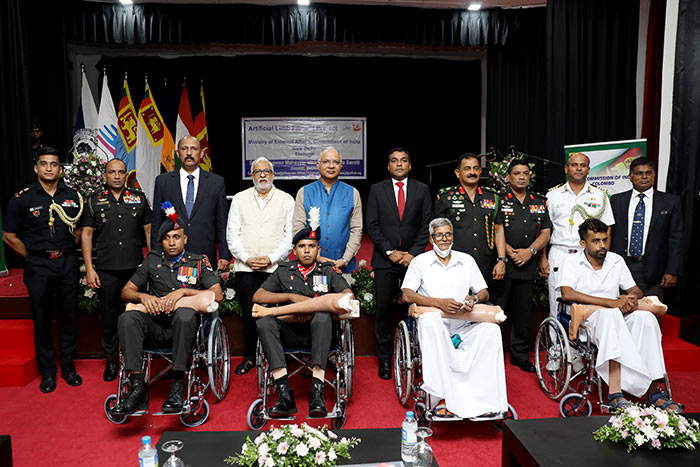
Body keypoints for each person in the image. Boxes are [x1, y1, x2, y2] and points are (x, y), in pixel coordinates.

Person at [558, 218, 683, 413]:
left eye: (604, 240)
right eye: (596, 241)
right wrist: (611, 303)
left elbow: (635, 290)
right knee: (610, 316)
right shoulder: (572, 261)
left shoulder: (616, 260)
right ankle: (615, 393)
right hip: (589, 320)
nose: (602, 246)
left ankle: (654, 392)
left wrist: (630, 299)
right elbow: (567, 293)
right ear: (583, 243)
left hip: (618, 314)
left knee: (647, 319)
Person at [111, 203, 223, 416]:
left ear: (185, 239)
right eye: (167, 238)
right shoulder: (152, 261)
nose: (172, 242)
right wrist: (143, 295)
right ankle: (136, 387)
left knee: (184, 313)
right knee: (127, 318)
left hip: (185, 330)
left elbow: (217, 295)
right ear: (161, 241)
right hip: (156, 326)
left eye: (176, 237)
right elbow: (126, 291)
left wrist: (184, 292)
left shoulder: (198, 262)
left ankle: (177, 384)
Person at [401, 217, 508, 419]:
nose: (444, 239)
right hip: (434, 325)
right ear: (432, 239)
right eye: (439, 235)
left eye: (448, 234)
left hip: (465, 323)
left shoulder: (466, 260)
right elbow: (407, 294)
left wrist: (473, 298)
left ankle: (488, 400)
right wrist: (438, 303)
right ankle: (441, 398)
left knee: (491, 330)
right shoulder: (420, 262)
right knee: (430, 320)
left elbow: (484, 292)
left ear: (453, 237)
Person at [3, 147, 84, 393]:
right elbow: (8, 235)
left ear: (61, 169)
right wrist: (34, 256)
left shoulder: (72, 196)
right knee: (42, 319)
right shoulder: (23, 198)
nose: (49, 168)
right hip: (38, 266)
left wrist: (66, 250)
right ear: (36, 168)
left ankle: (68, 368)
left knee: (69, 317)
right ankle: (48, 372)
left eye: (54, 164)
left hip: (67, 264)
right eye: (44, 164)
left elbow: (81, 230)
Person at [254, 224, 353, 418]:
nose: (306, 250)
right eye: (301, 246)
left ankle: (317, 391)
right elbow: (258, 296)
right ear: (294, 250)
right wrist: (290, 297)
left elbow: (348, 295)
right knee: (264, 321)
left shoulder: (328, 271)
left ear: (319, 250)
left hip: (320, 333)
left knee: (323, 316)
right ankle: (284, 394)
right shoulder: (284, 270)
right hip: (289, 333)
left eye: (311, 246)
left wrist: (313, 310)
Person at [80, 158, 152, 381]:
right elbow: (87, 235)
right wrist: (90, 270)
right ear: (105, 176)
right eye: (112, 172)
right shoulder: (94, 200)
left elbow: (149, 232)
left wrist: (153, 267)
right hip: (107, 270)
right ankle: (112, 362)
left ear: (126, 175)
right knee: (110, 318)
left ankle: (136, 362)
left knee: (136, 316)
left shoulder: (138, 199)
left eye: (121, 172)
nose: (117, 176)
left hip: (135, 271)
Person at [365, 147, 432, 379]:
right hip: (385, 260)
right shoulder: (377, 190)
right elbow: (371, 224)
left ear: (410, 165)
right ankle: (385, 360)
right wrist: (390, 251)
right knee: (383, 311)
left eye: (404, 160)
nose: (399, 164)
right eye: (394, 161)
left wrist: (412, 253)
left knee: (414, 309)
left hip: (414, 261)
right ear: (388, 166)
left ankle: (414, 356)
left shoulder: (422, 190)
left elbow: (426, 226)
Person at [226, 157, 294, 375]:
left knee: (276, 313)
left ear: (273, 175)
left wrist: (272, 258)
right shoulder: (239, 198)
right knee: (249, 314)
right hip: (246, 268)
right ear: (252, 176)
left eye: (266, 171)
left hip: (275, 269)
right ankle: (249, 358)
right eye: (257, 172)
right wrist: (247, 258)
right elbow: (232, 234)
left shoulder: (286, 199)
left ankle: (279, 357)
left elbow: (289, 237)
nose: (262, 175)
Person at [492, 159, 551, 373]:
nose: (522, 177)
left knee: (524, 314)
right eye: (517, 173)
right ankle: (493, 354)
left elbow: (545, 232)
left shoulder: (539, 201)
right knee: (498, 311)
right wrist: (508, 251)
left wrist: (531, 252)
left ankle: (519, 356)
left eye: (525, 173)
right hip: (505, 264)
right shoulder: (498, 200)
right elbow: (493, 229)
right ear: (508, 177)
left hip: (528, 264)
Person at [540, 152, 615, 318]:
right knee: (557, 302)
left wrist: (604, 256)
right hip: (560, 253)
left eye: (583, 165)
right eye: (574, 165)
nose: (578, 168)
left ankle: (584, 342)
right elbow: (546, 228)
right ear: (566, 169)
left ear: (588, 170)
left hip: (588, 256)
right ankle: (556, 343)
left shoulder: (600, 195)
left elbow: (607, 227)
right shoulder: (553, 195)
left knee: (588, 300)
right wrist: (542, 257)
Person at [151, 135, 231, 270]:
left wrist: (224, 254)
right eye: (184, 149)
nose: (189, 153)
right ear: (177, 153)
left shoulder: (216, 182)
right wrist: (155, 254)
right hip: (171, 253)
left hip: (205, 252)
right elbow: (157, 222)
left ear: (201, 153)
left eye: (193, 149)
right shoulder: (163, 181)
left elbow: (222, 222)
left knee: (204, 291)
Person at [610, 157, 683, 298]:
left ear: (654, 175)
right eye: (639, 173)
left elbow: (676, 239)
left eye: (648, 173)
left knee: (651, 315)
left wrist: (672, 271)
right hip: (621, 266)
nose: (644, 177)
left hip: (654, 270)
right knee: (619, 314)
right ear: (630, 177)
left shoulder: (670, 202)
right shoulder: (616, 200)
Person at [434, 153, 506, 285]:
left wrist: (502, 260)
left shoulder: (492, 197)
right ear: (457, 173)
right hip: (454, 264)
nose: (472, 172)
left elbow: (498, 229)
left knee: (485, 303)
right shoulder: (446, 198)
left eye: (475, 168)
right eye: (467, 169)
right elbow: (436, 233)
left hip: (486, 264)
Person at [292, 147, 362, 277]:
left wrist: (345, 259)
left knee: (344, 298)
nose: (331, 166)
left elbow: (356, 229)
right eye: (326, 162)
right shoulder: (304, 192)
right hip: (311, 266)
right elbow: (298, 228)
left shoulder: (352, 193)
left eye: (335, 162)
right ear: (318, 165)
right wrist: (316, 256)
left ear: (341, 166)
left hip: (344, 267)